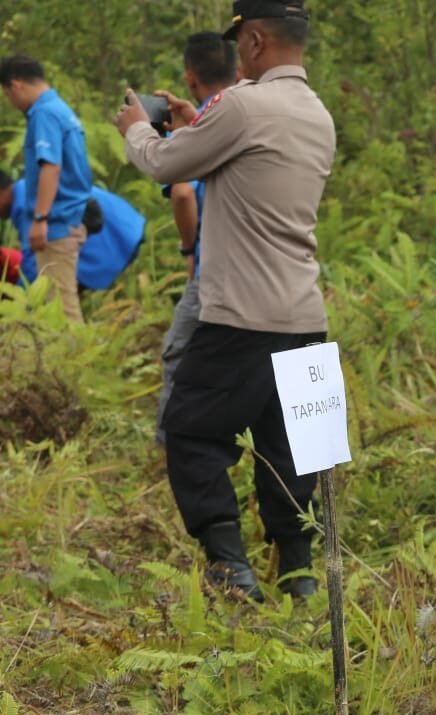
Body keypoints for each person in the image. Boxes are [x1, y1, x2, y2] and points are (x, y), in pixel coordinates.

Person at [116, 0, 336, 602]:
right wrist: (199, 124)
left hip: (240, 315)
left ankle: (229, 567)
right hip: (303, 315)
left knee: (189, 431)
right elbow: (242, 168)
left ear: (257, 41)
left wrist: (138, 124)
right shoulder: (317, 114)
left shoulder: (243, 104)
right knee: (289, 451)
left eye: (241, 43)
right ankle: (300, 575)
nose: (238, 53)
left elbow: (161, 161)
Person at [154, 32, 241, 444]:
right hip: (265, 276)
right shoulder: (246, 117)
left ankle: (175, 445)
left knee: (179, 351)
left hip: (213, 267)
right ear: (238, 70)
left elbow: (184, 192)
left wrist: (189, 250)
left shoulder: (197, 128)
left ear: (190, 78)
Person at [0, 55, 93, 323]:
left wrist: (40, 218)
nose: (11, 101)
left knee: (62, 309)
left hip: (57, 222)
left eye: (7, 94)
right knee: (58, 302)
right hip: (68, 218)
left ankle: (77, 362)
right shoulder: (59, 108)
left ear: (15, 85)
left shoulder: (43, 113)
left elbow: (50, 167)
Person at [2, 173, 147, 294]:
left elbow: (33, 263)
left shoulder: (25, 202)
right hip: (126, 225)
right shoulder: (29, 186)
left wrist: (15, 302)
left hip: (112, 236)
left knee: (56, 292)